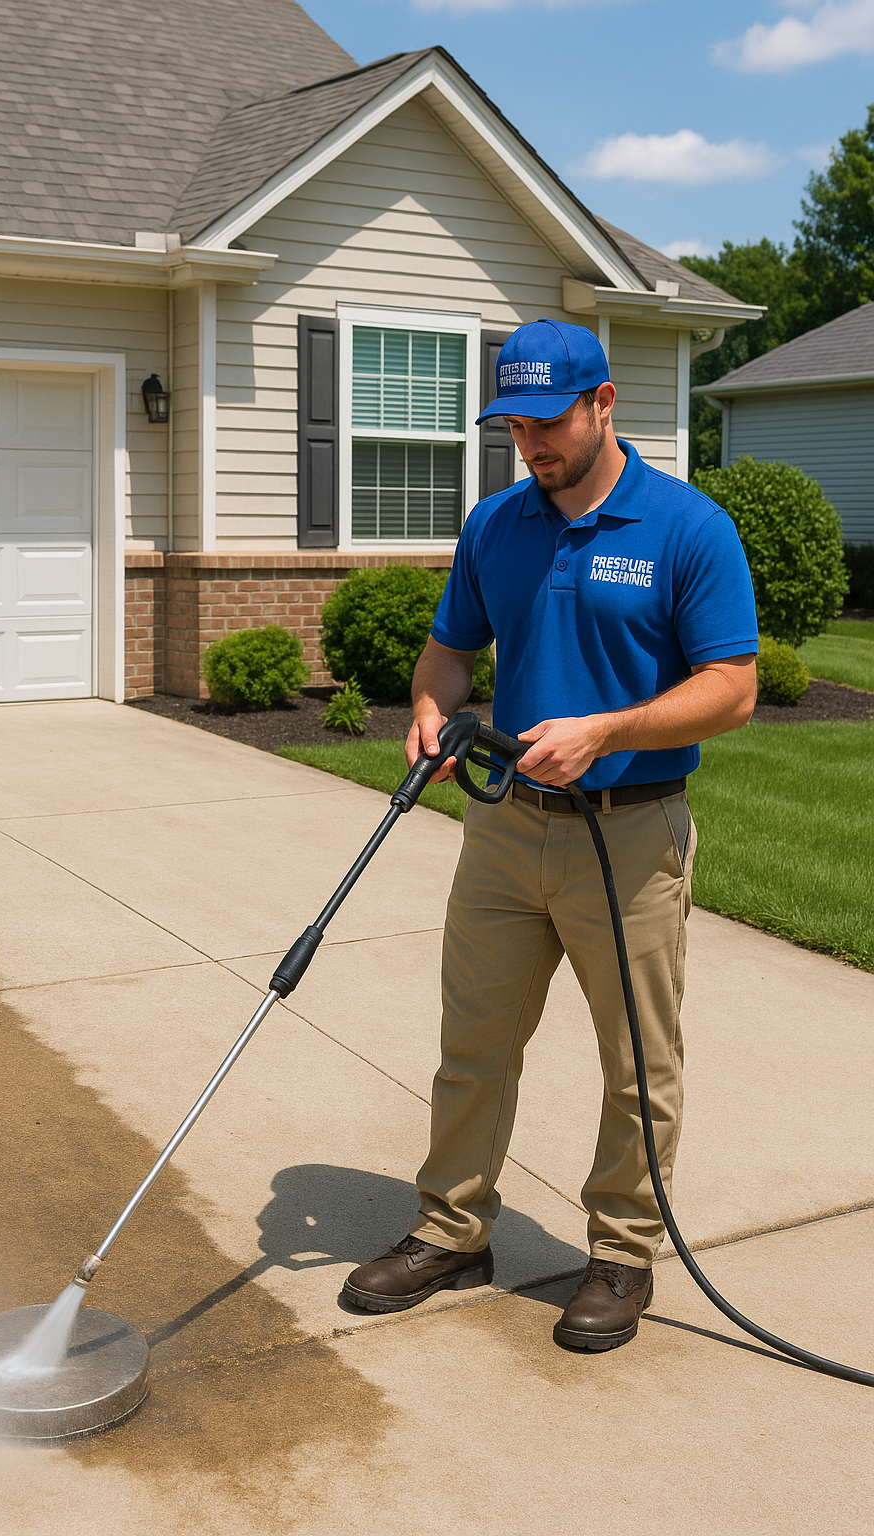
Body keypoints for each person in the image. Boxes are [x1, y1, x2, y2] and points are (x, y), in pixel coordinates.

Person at [341, 318, 758, 1352]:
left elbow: (732, 690)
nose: (531, 442)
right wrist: (429, 713)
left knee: (635, 1063)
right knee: (472, 1045)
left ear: (603, 403)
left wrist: (608, 729)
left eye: (548, 420)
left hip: (628, 838)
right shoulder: (495, 527)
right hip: (500, 830)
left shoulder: (685, 528)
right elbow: (447, 654)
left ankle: (621, 1252)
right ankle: (452, 1231)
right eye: (513, 423)